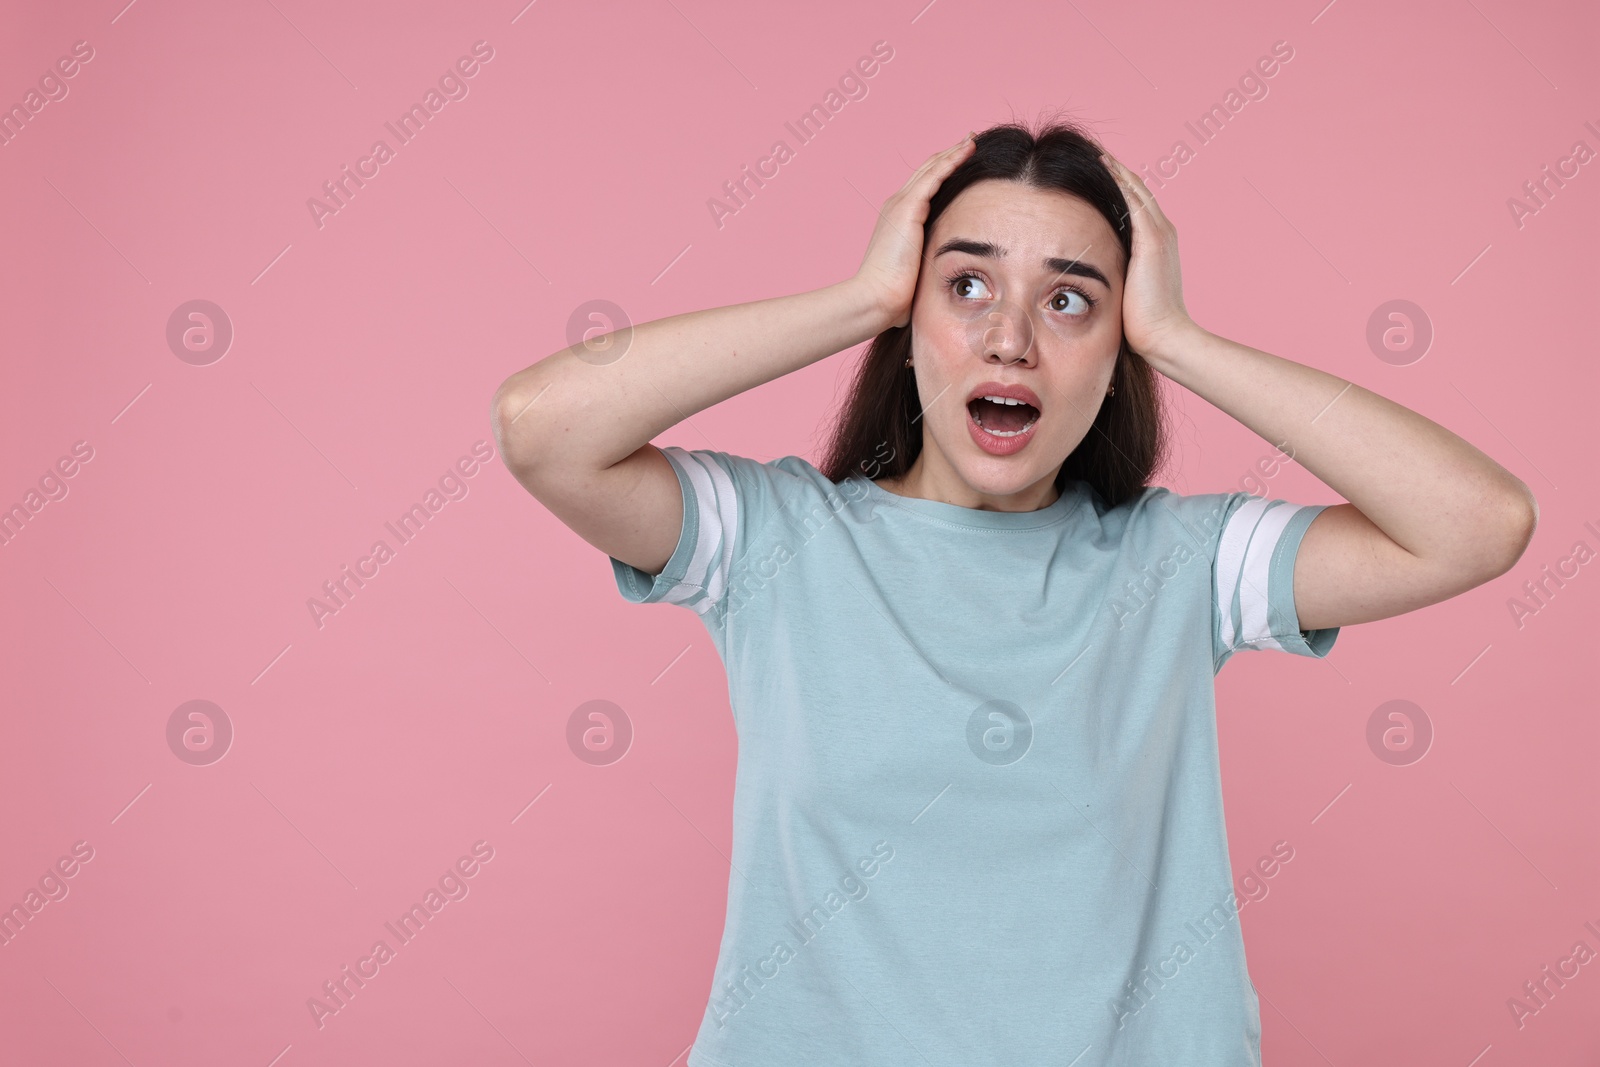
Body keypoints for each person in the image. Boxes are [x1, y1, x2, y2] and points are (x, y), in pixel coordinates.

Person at [490, 119, 1536, 1065]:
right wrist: (857, 299)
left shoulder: (1177, 565)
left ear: (1114, 352)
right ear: (913, 321)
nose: (1010, 339)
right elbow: (542, 426)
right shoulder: (775, 538)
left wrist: (1181, 339)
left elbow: (1477, 523)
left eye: (1071, 300)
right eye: (968, 286)